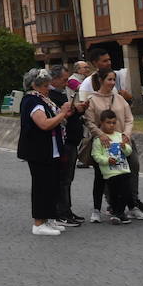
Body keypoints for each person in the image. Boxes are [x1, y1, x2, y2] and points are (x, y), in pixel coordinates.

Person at [81, 69, 143, 223]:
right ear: (101, 80)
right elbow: (88, 121)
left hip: (122, 143)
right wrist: (100, 134)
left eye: (113, 80)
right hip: (102, 144)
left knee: (128, 172)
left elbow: (129, 119)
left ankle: (132, 206)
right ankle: (98, 209)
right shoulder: (92, 99)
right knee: (101, 177)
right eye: (109, 79)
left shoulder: (119, 99)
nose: (111, 83)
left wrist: (126, 135)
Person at [17, 68, 72, 236]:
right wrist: (62, 113)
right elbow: (44, 124)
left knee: (52, 185)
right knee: (41, 186)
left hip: (52, 150)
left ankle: (49, 218)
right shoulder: (32, 101)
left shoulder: (43, 99)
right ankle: (38, 222)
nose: (49, 88)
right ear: (36, 85)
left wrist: (65, 112)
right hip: (39, 150)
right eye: (46, 85)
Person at [47, 66, 87, 226]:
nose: (66, 83)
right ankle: (61, 212)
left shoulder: (62, 93)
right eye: (64, 80)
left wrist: (79, 109)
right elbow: (61, 114)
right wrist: (73, 109)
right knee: (63, 179)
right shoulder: (51, 95)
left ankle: (67, 210)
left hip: (72, 140)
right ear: (54, 79)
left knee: (67, 179)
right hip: (64, 141)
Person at [89, 110, 135, 225]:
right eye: (108, 122)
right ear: (102, 123)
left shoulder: (119, 136)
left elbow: (129, 152)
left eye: (114, 123)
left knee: (125, 191)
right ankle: (117, 212)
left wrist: (124, 147)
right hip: (110, 172)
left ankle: (120, 213)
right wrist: (106, 160)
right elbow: (96, 155)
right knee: (114, 194)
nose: (111, 125)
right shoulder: (99, 140)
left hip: (123, 170)